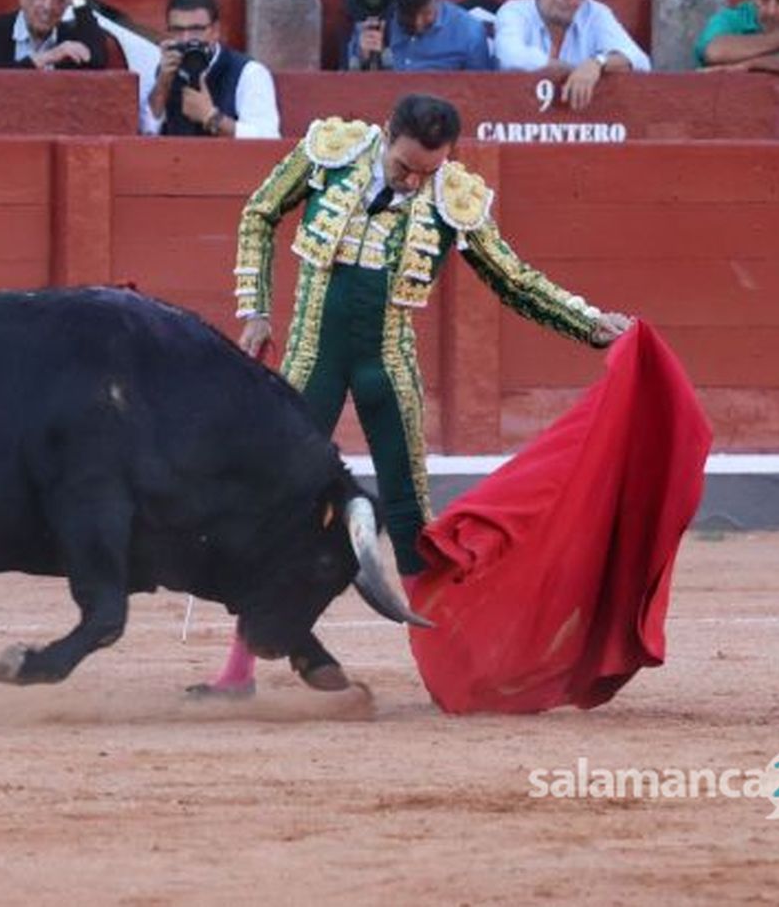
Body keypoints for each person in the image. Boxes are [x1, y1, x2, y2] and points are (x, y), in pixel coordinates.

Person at [190, 94, 633, 698]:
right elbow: (260, 212)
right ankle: (236, 672)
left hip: (388, 370)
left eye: (428, 172)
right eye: (405, 168)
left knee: (410, 519)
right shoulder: (333, 151)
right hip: (309, 359)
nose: (414, 181)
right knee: (275, 507)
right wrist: (255, 310)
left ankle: (448, 672)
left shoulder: (452, 196)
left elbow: (513, 279)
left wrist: (588, 321)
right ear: (385, 137)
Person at [140, 0, 278, 138]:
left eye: (196, 29)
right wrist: (162, 84)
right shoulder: (164, 68)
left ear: (215, 31)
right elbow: (146, 132)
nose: (186, 39)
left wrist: (210, 117)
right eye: (177, 30)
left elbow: (267, 138)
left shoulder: (248, 72)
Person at [494, 0, 650, 111]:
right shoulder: (514, 11)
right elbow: (509, 56)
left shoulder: (596, 14)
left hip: (583, 125)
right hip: (518, 119)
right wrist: (574, 71)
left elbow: (640, 61)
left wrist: (596, 64)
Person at [345, 0, 492, 72]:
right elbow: (343, 87)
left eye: (427, 13)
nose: (418, 24)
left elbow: (480, 90)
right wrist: (363, 60)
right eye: (408, 15)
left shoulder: (469, 31)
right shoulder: (374, 22)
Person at [0, 0, 107, 70]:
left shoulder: (68, 38)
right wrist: (48, 57)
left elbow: (96, 61)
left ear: (67, 6)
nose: (48, 7)